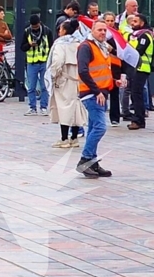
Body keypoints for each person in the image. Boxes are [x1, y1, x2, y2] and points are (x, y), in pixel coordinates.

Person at [75, 21, 121, 178]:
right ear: (92, 31)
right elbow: (83, 70)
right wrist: (96, 91)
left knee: (94, 127)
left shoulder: (102, 47)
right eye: (99, 30)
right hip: (92, 93)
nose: (102, 32)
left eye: (104, 30)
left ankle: (92, 163)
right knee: (100, 127)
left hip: (100, 92)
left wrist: (115, 80)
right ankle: (85, 159)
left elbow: (102, 70)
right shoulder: (86, 47)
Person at [46, 19, 86, 148]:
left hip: (64, 79)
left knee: (64, 108)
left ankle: (64, 138)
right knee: (76, 108)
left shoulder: (60, 44)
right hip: (79, 79)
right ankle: (74, 138)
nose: (59, 31)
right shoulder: (80, 43)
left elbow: (57, 62)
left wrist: (54, 75)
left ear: (64, 30)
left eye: (60, 29)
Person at [22, 14, 53, 116]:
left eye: (36, 26)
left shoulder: (47, 31)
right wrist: (29, 45)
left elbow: (51, 46)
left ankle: (43, 107)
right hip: (32, 62)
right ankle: (32, 107)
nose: (34, 28)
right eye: (32, 26)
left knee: (45, 86)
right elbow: (22, 47)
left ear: (39, 23)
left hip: (44, 62)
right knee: (31, 87)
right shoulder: (27, 31)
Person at [126, 13, 152, 130]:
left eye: (135, 21)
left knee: (136, 94)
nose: (132, 23)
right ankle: (139, 119)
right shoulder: (138, 35)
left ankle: (138, 120)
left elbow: (138, 52)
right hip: (138, 68)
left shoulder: (144, 36)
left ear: (142, 23)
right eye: (132, 21)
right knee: (137, 94)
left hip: (141, 68)